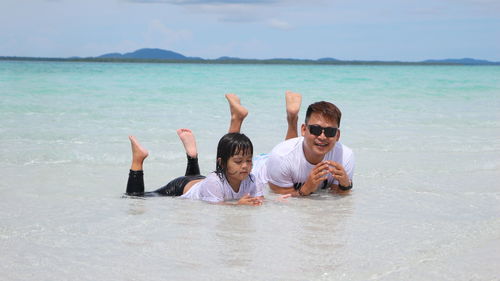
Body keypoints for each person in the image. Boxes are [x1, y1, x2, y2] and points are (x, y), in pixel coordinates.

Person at [226, 91, 355, 196]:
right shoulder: (280, 157)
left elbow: (336, 195)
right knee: (227, 169)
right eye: (315, 129)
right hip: (263, 166)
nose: (322, 136)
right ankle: (237, 118)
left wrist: (345, 185)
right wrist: (306, 189)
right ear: (303, 130)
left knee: (291, 153)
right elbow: (281, 197)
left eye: (330, 131)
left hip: (288, 156)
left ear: (337, 135)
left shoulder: (345, 156)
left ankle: (292, 117)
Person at [125, 129, 263, 205]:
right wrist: (239, 205)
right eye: (238, 161)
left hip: (200, 182)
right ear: (221, 163)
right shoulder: (214, 182)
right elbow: (219, 210)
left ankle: (192, 155)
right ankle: (138, 159)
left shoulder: (252, 179)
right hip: (180, 187)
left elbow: (261, 200)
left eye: (249, 160)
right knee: (135, 198)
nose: (245, 166)